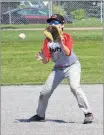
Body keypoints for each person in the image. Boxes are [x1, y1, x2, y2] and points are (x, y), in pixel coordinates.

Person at [29, 14, 94, 124]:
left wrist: (60, 42)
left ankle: (88, 113)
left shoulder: (67, 37)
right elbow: (46, 61)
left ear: (62, 25)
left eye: (55, 22)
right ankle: (40, 115)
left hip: (72, 66)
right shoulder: (47, 41)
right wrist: (43, 57)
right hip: (58, 69)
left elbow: (68, 53)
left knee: (75, 87)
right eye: (50, 22)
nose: (52, 24)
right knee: (45, 92)